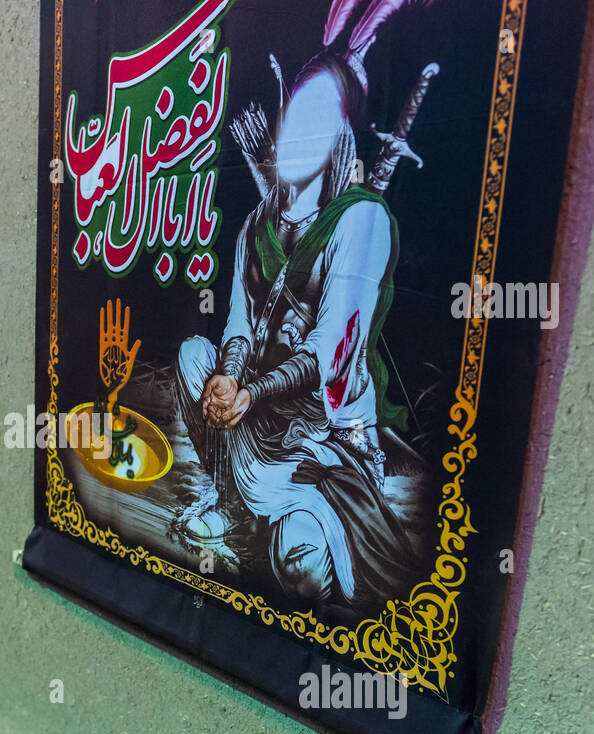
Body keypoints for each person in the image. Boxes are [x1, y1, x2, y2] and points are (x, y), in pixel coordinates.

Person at [174, 48, 417, 610]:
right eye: (295, 115)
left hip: (320, 437)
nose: (298, 131)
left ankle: (284, 520)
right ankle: (234, 504)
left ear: (341, 140)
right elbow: (237, 322)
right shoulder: (257, 224)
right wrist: (228, 381)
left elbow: (329, 351)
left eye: (319, 119)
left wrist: (250, 393)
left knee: (300, 570)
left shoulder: (363, 219)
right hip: (253, 418)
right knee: (194, 358)